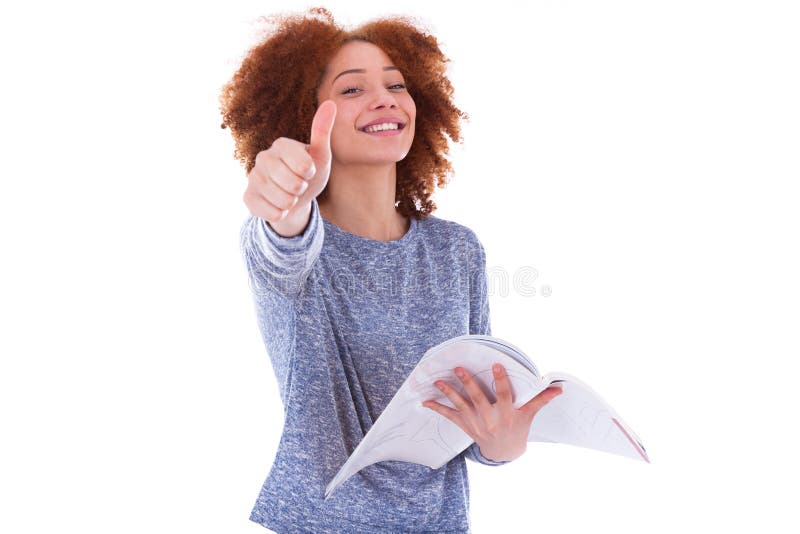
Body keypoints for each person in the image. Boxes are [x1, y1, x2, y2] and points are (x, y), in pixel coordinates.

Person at [218, 7, 562, 533]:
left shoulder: (457, 250)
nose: (385, 99)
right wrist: (285, 205)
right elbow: (280, 244)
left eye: (396, 84)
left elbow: (471, 414)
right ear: (301, 118)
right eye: (351, 89)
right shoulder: (294, 246)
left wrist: (501, 444)